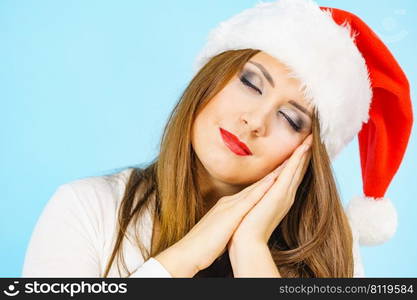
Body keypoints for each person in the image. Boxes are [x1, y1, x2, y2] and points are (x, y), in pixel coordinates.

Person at [22, 0, 412, 278]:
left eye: (291, 119)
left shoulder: (333, 253)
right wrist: (187, 256)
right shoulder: (86, 209)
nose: (254, 121)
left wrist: (251, 251)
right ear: (211, 77)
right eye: (250, 82)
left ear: (307, 155)